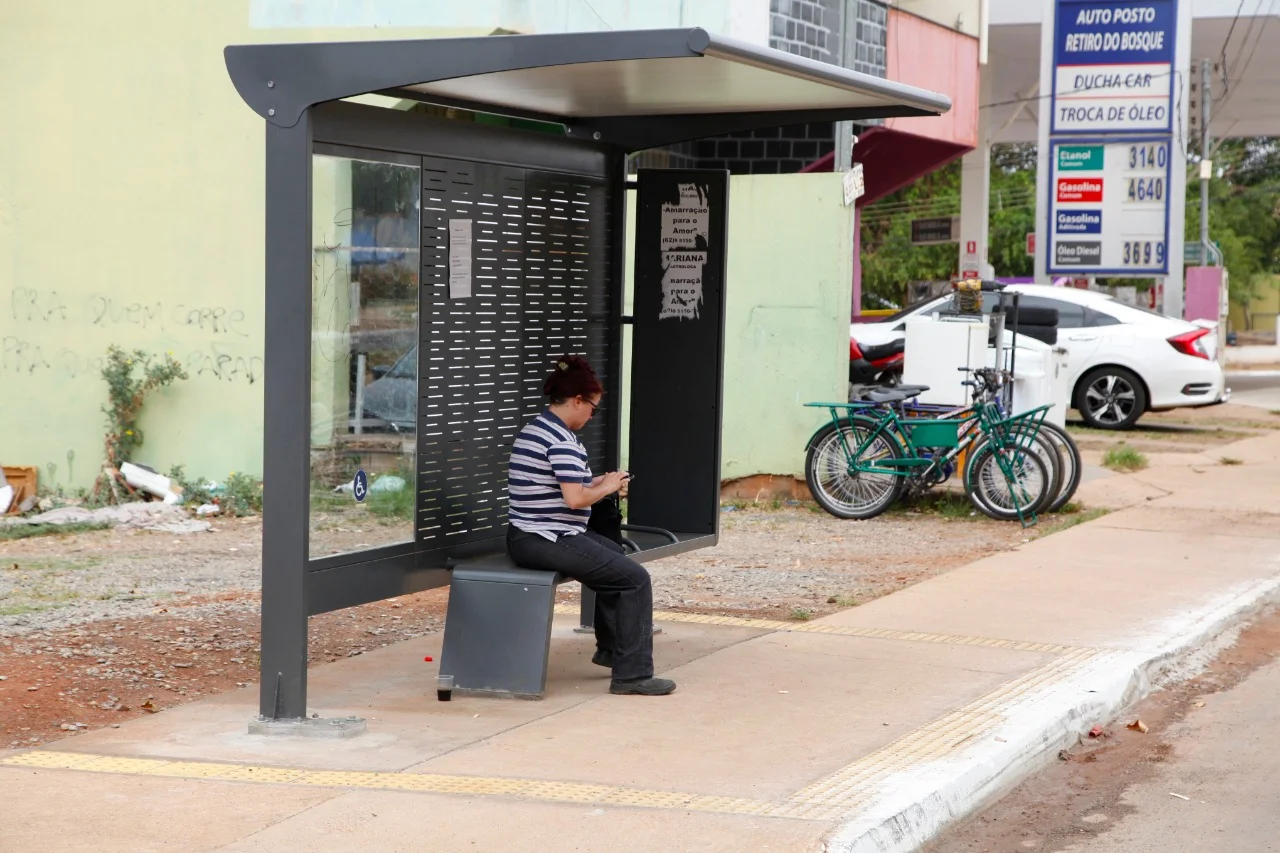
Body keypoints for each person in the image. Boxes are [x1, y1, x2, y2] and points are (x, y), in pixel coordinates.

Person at [506, 355, 676, 696]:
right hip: (547, 537)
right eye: (593, 408)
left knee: (617, 561)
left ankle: (613, 650)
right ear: (578, 400)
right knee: (635, 579)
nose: (592, 416)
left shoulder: (539, 428)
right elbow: (575, 499)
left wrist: (603, 480)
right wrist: (609, 487)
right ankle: (633, 675)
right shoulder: (561, 440)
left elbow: (565, 486)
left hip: (531, 533)